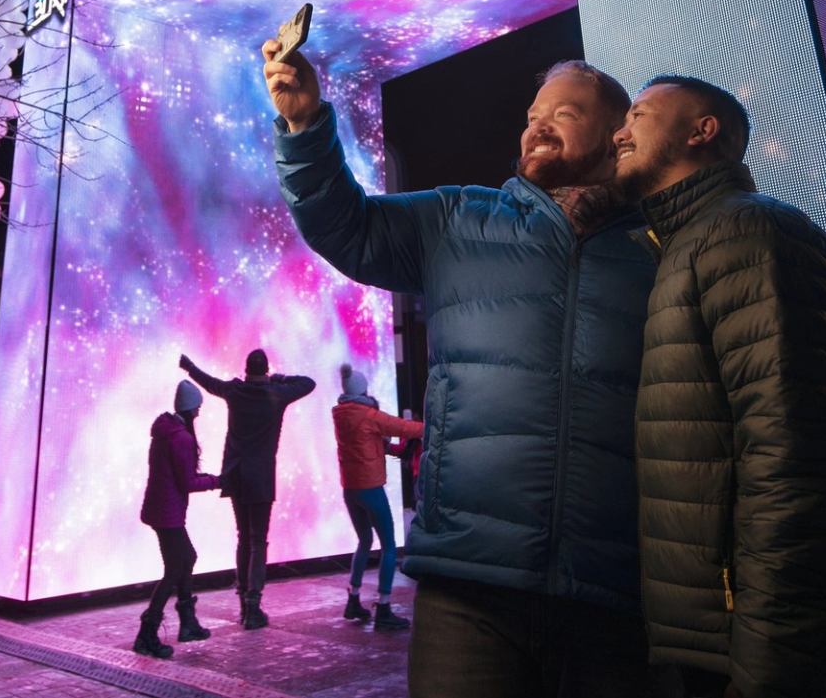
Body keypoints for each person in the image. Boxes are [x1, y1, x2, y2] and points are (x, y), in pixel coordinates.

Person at [261, 41, 664, 698]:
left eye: (565, 111)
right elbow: (348, 225)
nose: (537, 123)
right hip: (468, 589)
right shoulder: (459, 216)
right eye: (534, 112)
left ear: (616, 135)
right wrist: (306, 128)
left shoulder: (658, 249)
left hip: (614, 595)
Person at [611, 74, 826, 697]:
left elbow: (799, 468)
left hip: (797, 657)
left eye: (638, 114)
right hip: (739, 645)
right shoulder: (691, 247)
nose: (618, 131)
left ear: (701, 130)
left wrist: (772, 675)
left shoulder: (750, 235)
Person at [179, 348, 316, 629]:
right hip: (261, 478)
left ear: (246, 369)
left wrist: (189, 366)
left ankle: (243, 602)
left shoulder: (235, 392)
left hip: (236, 475)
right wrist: (279, 379)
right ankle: (253, 605)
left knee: (243, 538)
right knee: (258, 540)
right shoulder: (278, 394)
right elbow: (308, 383)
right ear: (265, 370)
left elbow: (209, 382)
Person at [135, 378, 222, 660]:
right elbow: (187, 482)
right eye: (197, 409)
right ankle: (148, 632)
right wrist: (218, 481)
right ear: (190, 409)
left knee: (186, 558)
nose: (198, 413)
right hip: (168, 511)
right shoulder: (181, 438)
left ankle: (187, 623)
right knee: (175, 567)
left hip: (161, 508)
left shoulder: (165, 432)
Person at [331, 363, 422, 631]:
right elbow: (405, 428)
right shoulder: (369, 415)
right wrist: (436, 424)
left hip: (350, 488)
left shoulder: (340, 415)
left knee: (364, 540)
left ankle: (354, 599)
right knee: (389, 546)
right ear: (363, 391)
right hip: (371, 487)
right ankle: (383, 607)